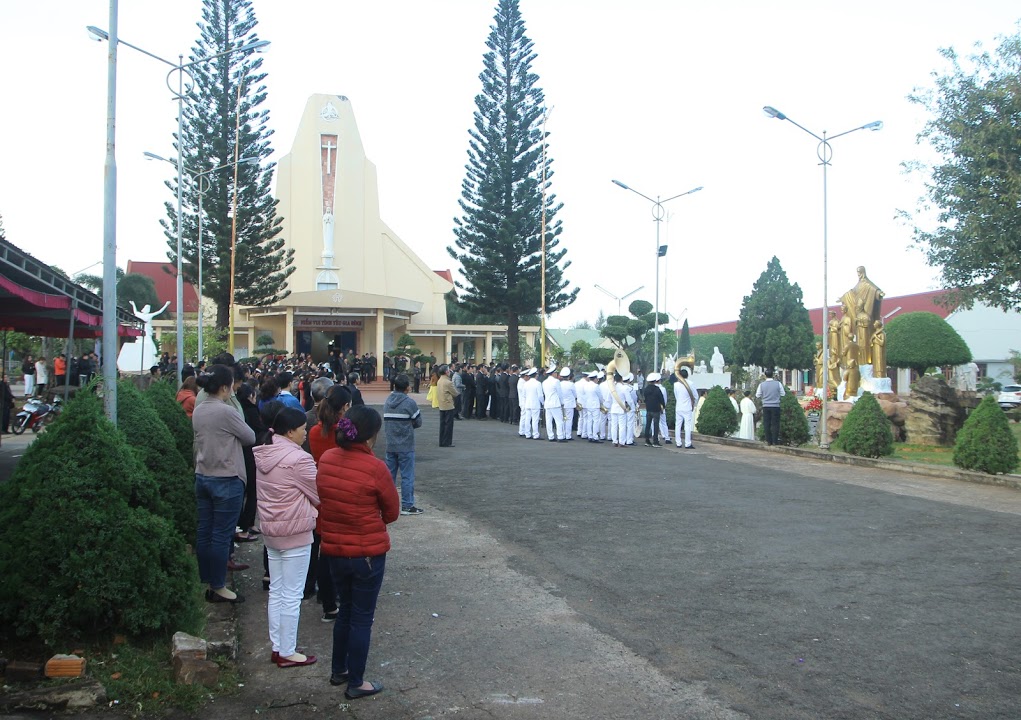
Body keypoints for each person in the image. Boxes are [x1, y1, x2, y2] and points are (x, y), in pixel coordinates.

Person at [316, 406, 400, 699]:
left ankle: (339, 670)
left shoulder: (326, 459)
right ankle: (357, 681)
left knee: (346, 612)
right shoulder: (375, 468)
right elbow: (391, 512)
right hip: (366, 553)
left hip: (334, 549)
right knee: (362, 617)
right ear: (370, 435)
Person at [254, 406, 320, 669]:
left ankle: (278, 647)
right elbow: (317, 493)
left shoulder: (264, 453)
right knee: (292, 594)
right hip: (295, 531)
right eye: (303, 430)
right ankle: (288, 651)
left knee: (277, 591)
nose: (305, 435)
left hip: (272, 530)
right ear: (291, 431)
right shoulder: (299, 459)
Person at [193, 364, 257, 604]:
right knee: (221, 535)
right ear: (223, 387)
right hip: (226, 477)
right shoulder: (226, 411)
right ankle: (218, 585)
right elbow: (249, 437)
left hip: (203, 475)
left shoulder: (200, 409)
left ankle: (208, 579)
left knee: (205, 531)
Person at [382, 374, 423, 515]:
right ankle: (407, 505)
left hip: (390, 444)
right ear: (406, 388)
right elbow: (418, 422)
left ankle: (387, 506)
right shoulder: (409, 403)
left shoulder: (387, 401)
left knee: (389, 477)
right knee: (407, 476)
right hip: (406, 445)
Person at [756, 369, 785, 445]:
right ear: (773, 375)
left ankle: (768, 441)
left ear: (765, 375)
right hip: (776, 406)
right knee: (775, 424)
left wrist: (764, 396)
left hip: (766, 406)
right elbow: (783, 394)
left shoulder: (761, 385)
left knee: (766, 423)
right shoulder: (778, 384)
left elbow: (757, 395)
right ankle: (775, 441)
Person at [673, 367, 696, 449]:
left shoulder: (675, 385)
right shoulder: (690, 383)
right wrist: (693, 404)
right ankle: (687, 443)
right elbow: (695, 395)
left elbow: (676, 395)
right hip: (687, 407)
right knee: (687, 426)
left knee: (678, 425)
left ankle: (678, 443)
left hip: (678, 406)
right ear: (687, 375)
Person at [436, 365, 458, 447]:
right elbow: (455, 393)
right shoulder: (448, 382)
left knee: (442, 424)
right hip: (448, 405)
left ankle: (442, 441)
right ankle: (447, 442)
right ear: (446, 372)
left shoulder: (439, 381)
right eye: (448, 370)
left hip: (441, 404)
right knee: (448, 425)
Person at [642, 372, 664, 447]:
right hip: (656, 409)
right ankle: (655, 441)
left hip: (648, 409)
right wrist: (663, 406)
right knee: (656, 425)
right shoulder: (657, 389)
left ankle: (647, 440)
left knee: (648, 425)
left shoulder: (646, 389)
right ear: (655, 381)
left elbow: (644, 398)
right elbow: (661, 399)